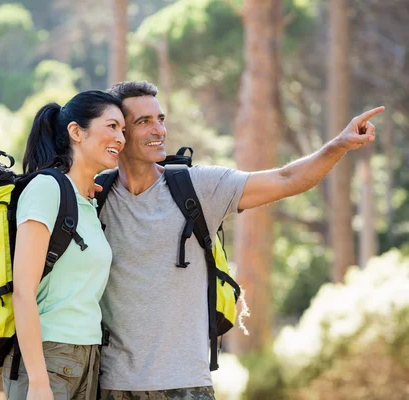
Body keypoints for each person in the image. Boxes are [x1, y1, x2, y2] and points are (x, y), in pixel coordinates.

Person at [98, 81, 383, 400]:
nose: (159, 130)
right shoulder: (93, 196)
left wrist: (338, 145)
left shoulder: (199, 187)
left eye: (161, 119)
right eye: (144, 122)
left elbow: (286, 179)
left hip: (185, 384)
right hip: (112, 384)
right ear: (118, 133)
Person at [2, 90, 126, 400]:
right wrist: (39, 383)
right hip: (48, 356)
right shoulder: (46, 188)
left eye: (123, 129)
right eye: (111, 126)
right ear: (76, 132)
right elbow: (23, 292)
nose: (121, 138)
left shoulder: (87, 202)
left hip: (88, 357)